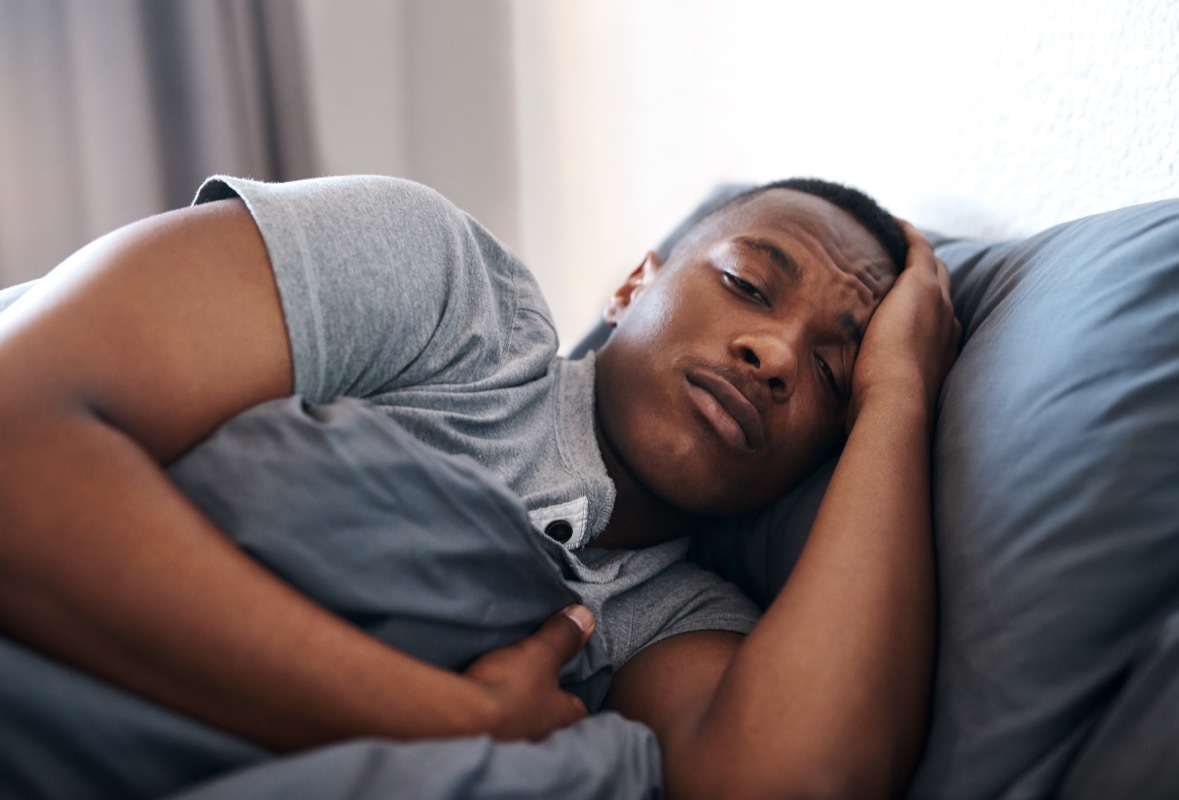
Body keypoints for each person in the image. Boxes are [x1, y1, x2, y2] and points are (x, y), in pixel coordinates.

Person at [0, 174, 959, 799]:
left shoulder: (680, 625)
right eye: (750, 284)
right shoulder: (449, 296)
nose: (778, 353)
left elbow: (801, 778)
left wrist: (899, 397)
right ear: (634, 285)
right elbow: (17, 431)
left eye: (834, 374)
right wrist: (452, 721)